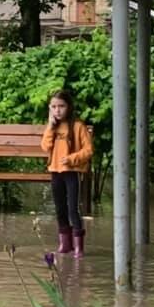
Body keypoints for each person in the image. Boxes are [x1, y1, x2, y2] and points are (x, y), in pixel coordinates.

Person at [41, 89, 94, 258]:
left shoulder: (78, 126)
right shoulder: (52, 127)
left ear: (69, 107)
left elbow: (88, 150)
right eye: (54, 107)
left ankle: (79, 246)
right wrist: (50, 126)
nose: (57, 110)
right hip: (55, 172)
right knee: (60, 209)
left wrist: (72, 158)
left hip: (71, 172)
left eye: (61, 106)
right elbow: (45, 146)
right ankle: (65, 244)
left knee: (73, 209)